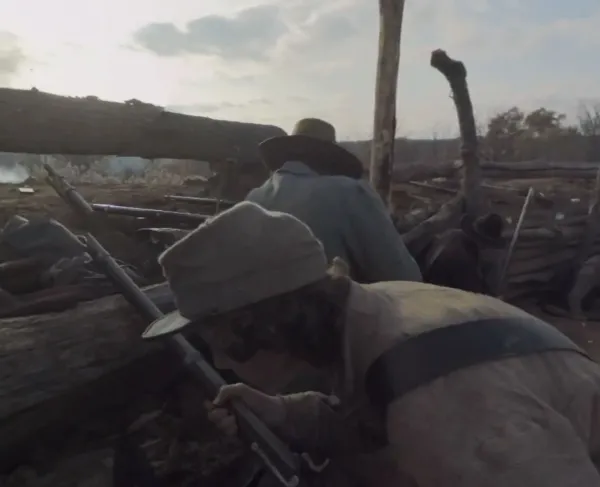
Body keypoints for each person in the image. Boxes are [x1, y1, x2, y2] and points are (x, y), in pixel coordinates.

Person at [143, 201, 600, 487]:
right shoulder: (370, 315)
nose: (220, 361)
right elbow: (370, 418)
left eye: (219, 341)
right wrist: (283, 414)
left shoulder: (440, 408)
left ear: (265, 324)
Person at [246, 117, 422, 283]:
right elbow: (403, 276)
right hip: (331, 312)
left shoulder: (253, 199)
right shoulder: (350, 192)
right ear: (330, 156)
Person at [418, 213, 505, 294]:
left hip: (424, 276)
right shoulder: (464, 261)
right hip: (435, 293)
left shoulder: (451, 233)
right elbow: (476, 294)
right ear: (483, 242)